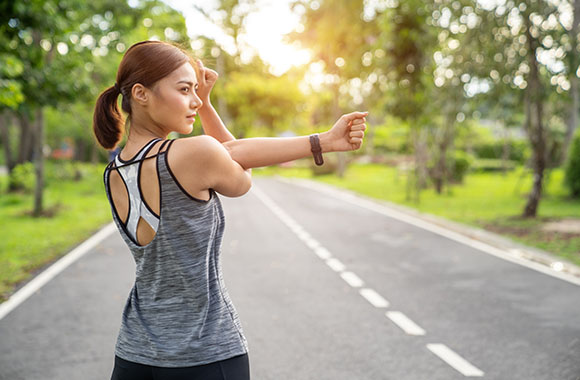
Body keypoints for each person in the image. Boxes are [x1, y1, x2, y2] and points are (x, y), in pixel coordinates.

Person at [92, 40, 368, 380]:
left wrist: (205, 105)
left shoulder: (113, 171)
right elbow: (239, 174)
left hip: (134, 356)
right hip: (203, 355)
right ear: (141, 93)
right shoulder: (190, 155)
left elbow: (224, 153)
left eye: (197, 91)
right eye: (184, 90)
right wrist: (322, 141)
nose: (194, 100)